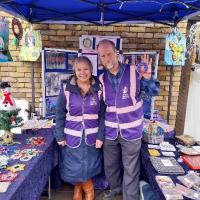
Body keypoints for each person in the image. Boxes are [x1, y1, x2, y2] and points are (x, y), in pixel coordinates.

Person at [97, 39, 159, 200]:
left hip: (131, 131)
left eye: (109, 54)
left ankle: (129, 197)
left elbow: (152, 92)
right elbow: (102, 107)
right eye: (102, 56)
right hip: (111, 131)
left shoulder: (134, 72)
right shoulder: (101, 79)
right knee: (110, 166)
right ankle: (115, 189)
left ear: (116, 53)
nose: (106, 59)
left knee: (131, 168)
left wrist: (148, 78)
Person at [54, 56, 105, 200]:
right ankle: (81, 187)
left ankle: (86, 189)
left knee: (89, 166)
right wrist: (60, 136)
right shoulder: (66, 89)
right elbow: (59, 114)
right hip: (72, 136)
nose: (83, 72)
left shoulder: (99, 88)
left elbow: (103, 116)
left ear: (91, 70)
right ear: (75, 71)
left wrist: (101, 136)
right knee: (75, 167)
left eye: (86, 69)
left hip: (92, 137)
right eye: (79, 69)